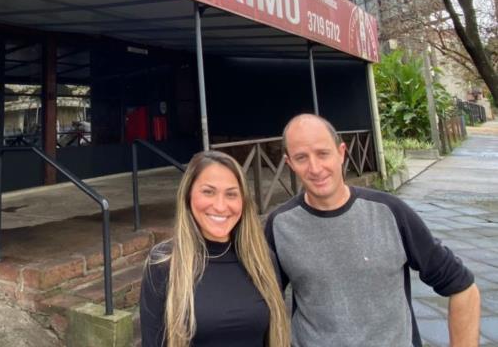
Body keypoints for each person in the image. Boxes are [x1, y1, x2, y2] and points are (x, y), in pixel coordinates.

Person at [267, 113, 481, 347]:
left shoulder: (390, 212)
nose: (315, 168)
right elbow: (260, 305)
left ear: (341, 152)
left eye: (323, 154)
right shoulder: (280, 225)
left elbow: (463, 288)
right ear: (289, 164)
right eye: (301, 158)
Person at [140, 150, 290, 347]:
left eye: (231, 194)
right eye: (208, 192)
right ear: (188, 195)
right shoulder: (164, 263)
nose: (220, 206)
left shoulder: (262, 259)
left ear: (243, 202)